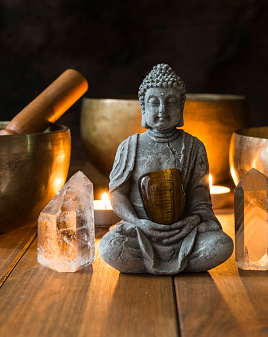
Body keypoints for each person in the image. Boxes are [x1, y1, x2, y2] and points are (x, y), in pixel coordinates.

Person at [99, 64, 233, 275]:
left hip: (184, 232)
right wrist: (137, 222)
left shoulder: (193, 146)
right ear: (144, 108)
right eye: (155, 103)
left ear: (181, 107)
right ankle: (178, 264)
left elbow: (199, 191)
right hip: (141, 231)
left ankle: (160, 262)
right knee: (110, 247)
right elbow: (117, 192)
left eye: (171, 102)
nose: (163, 109)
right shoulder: (130, 146)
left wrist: (193, 220)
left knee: (222, 244)